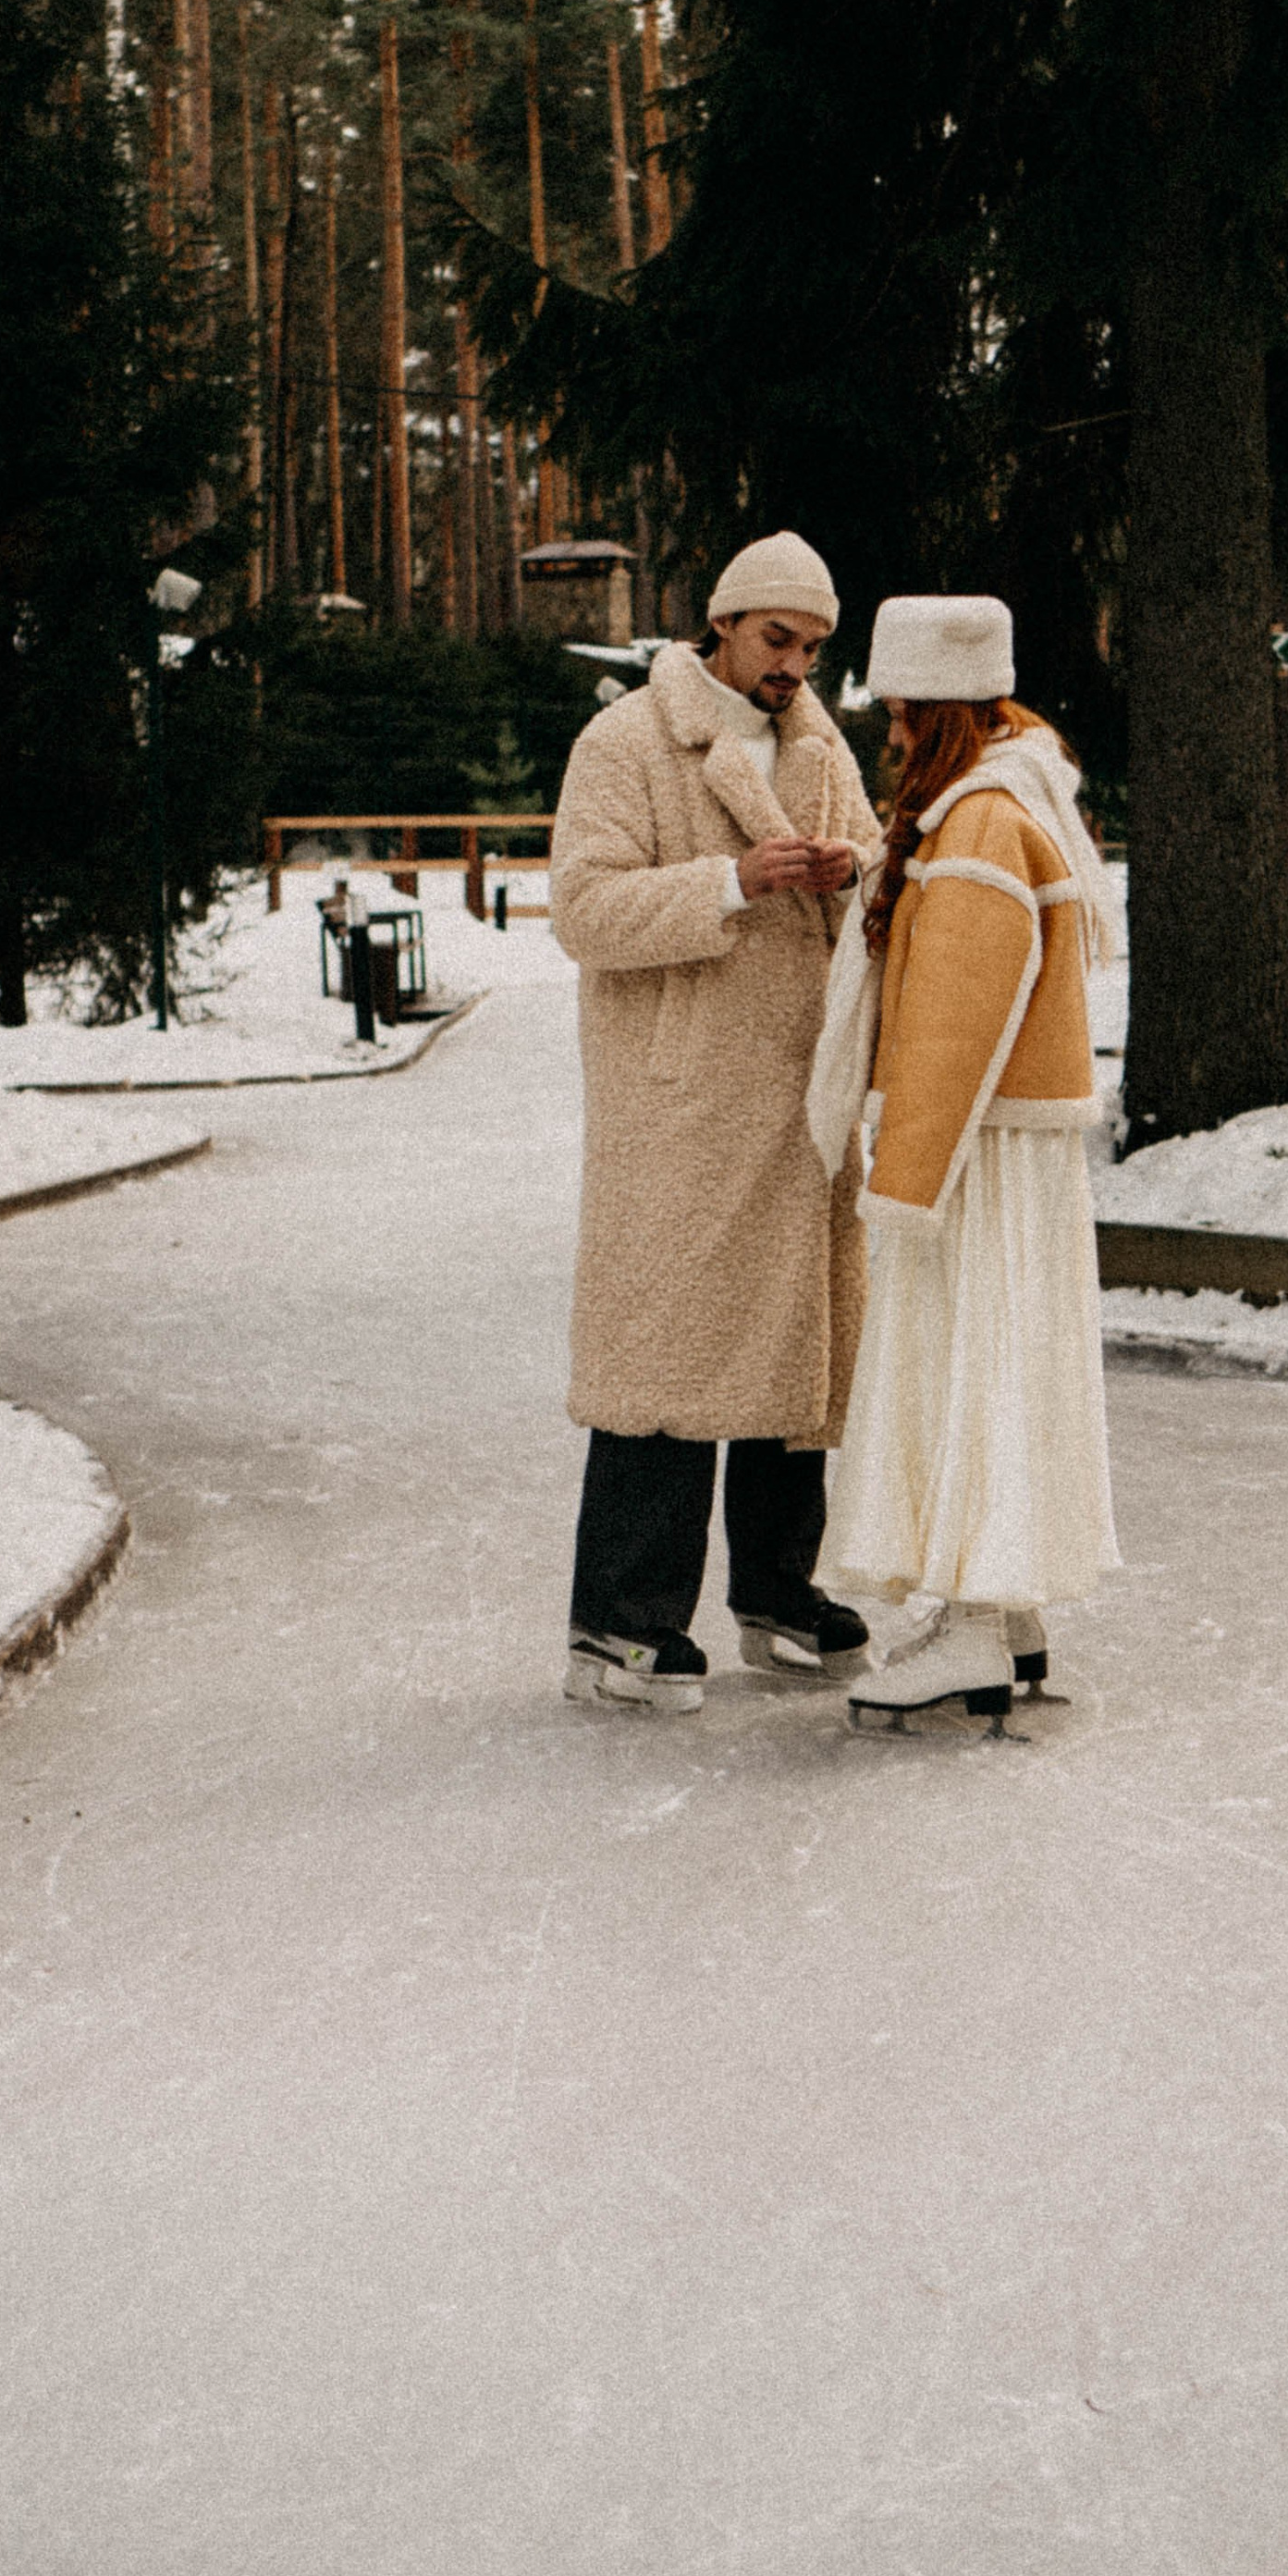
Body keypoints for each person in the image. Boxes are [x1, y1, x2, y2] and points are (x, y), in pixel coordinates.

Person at [549, 530, 885, 1714]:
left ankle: (777, 1591)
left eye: (812, 647)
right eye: (776, 639)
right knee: (670, 1356)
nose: (794, 665)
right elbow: (583, 912)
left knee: (796, 1346)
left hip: (800, 1100)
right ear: (723, 623)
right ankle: (619, 1622)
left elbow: (878, 861)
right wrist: (735, 883)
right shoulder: (627, 740)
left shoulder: (818, 745)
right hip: (680, 1109)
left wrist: (852, 874)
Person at [806, 594, 1120, 1731]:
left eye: (899, 712)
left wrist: (907, 1171)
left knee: (972, 1364)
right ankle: (1005, 1608)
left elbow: (957, 1013)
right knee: (1001, 1360)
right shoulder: (1004, 800)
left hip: (975, 1156)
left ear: (938, 710)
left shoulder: (981, 821)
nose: (887, 735)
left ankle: (982, 1620)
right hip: (998, 1152)